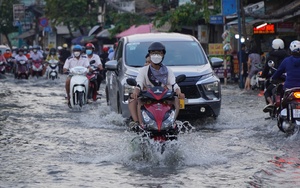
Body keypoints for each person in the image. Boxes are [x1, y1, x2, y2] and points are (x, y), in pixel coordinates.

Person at [128, 42, 185, 128]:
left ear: (163, 55)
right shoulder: (144, 70)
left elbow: (174, 83)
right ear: (150, 54)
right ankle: (139, 124)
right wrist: (136, 90)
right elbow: (139, 82)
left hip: (164, 97)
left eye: (159, 53)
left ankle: (172, 123)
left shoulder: (168, 70)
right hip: (148, 97)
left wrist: (178, 91)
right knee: (137, 100)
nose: (156, 55)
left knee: (176, 100)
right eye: (153, 53)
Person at [261, 38, 289, 112]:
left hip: (276, 79)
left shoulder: (270, 57)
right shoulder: (288, 57)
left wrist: (263, 75)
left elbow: (266, 69)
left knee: (267, 92)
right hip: (287, 80)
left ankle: (270, 103)